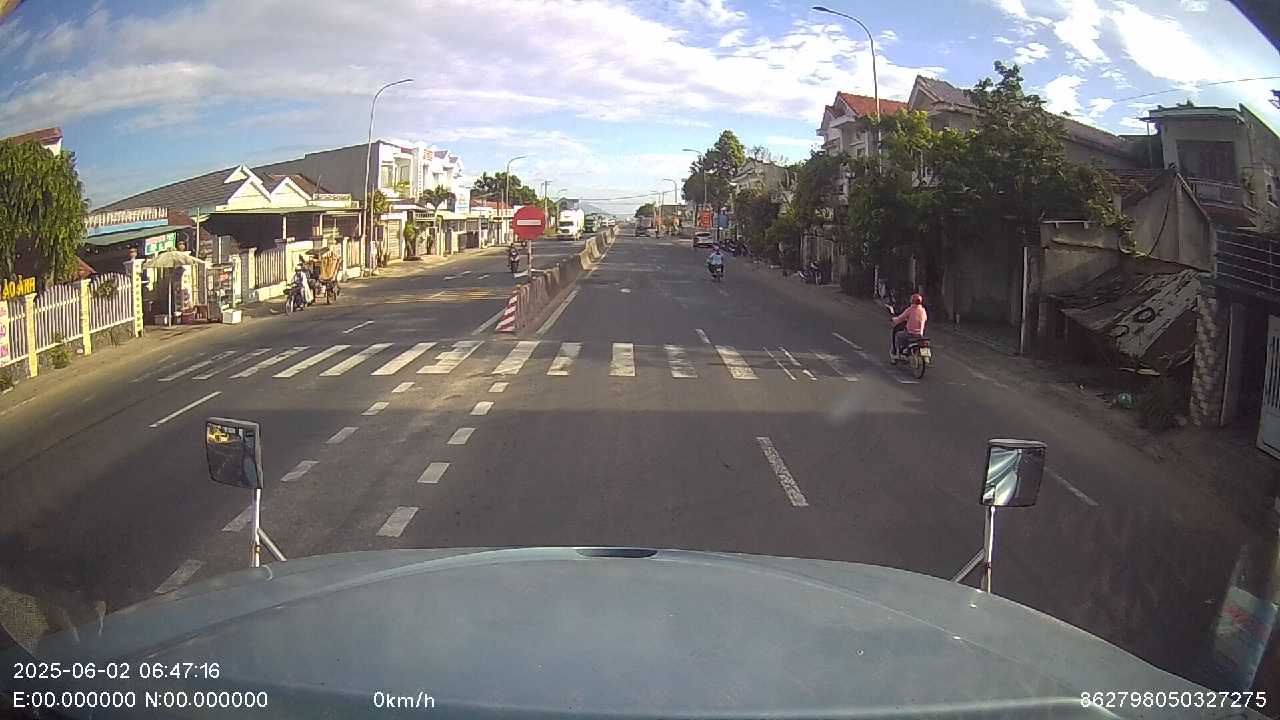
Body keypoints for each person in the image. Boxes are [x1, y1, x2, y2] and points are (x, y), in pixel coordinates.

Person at [890, 293, 927, 359]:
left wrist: (894, 320)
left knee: (898, 335)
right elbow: (925, 319)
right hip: (920, 335)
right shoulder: (923, 311)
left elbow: (900, 318)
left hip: (910, 334)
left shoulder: (910, 310)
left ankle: (898, 353)